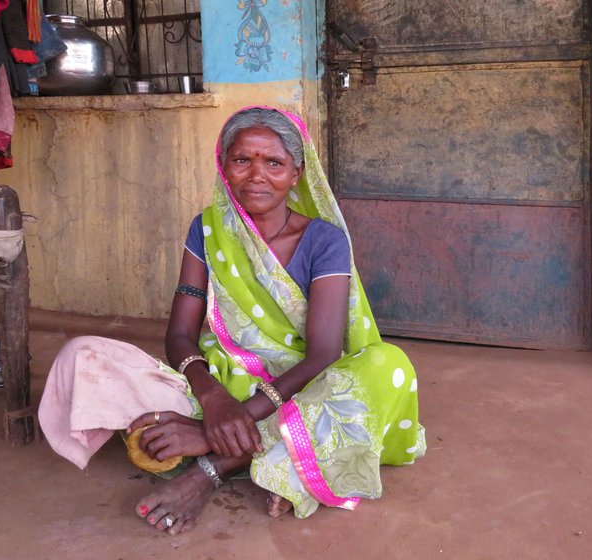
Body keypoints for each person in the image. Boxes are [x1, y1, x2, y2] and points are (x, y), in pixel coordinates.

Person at [38, 106, 425, 535]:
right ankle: (275, 452)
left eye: (274, 163)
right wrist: (216, 402)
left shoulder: (324, 240)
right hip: (223, 377)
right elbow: (181, 333)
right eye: (242, 160)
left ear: (296, 173)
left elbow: (323, 355)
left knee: (388, 366)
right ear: (224, 168)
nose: (257, 175)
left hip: (304, 386)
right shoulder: (206, 229)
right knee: (83, 355)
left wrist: (216, 428)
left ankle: (214, 464)